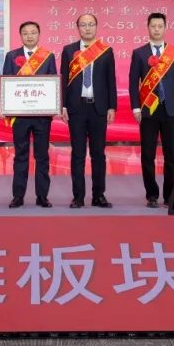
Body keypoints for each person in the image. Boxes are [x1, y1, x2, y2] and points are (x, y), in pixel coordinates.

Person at [129, 13, 174, 208]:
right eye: (153, 26)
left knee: (171, 155)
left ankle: (170, 195)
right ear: (148, 27)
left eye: (160, 26)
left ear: (165, 28)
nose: (156, 29)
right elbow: (133, 82)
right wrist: (136, 107)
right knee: (148, 154)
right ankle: (151, 195)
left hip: (171, 110)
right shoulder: (139, 53)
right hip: (148, 109)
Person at [60, 13, 117, 208]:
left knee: (98, 154)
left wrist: (112, 106)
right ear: (77, 28)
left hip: (98, 108)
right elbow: (64, 79)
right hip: (76, 108)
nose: (87, 28)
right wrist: (63, 105)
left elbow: (111, 80)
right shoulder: (69, 51)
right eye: (83, 25)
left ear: (96, 27)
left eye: (91, 24)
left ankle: (98, 195)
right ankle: (78, 196)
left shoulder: (106, 51)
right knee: (78, 153)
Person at [2, 20, 56, 208]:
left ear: (39, 34)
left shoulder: (47, 56)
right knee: (20, 155)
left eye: (33, 32)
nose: (29, 36)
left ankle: (42, 196)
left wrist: (53, 106)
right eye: (25, 33)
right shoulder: (11, 56)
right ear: (21, 36)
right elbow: (7, 83)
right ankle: (18, 196)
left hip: (42, 116)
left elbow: (53, 83)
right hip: (19, 116)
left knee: (42, 156)